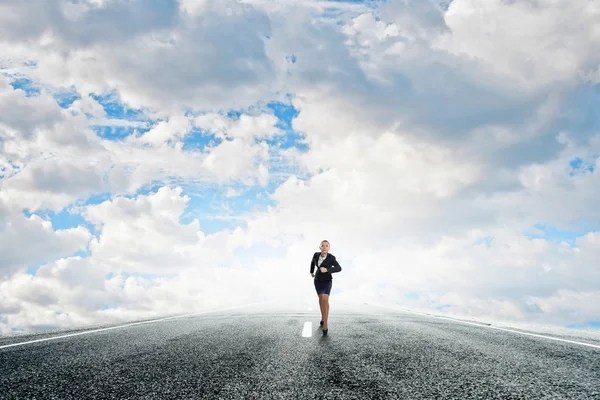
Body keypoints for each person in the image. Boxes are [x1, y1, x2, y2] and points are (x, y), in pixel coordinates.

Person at [310, 240, 342, 335]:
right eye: (322, 245)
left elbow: (339, 268)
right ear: (320, 247)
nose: (324, 247)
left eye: (326, 246)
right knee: (321, 299)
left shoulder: (331, 258)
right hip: (318, 280)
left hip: (327, 281)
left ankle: (325, 322)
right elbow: (312, 263)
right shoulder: (316, 255)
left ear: (329, 248)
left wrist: (328, 269)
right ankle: (323, 317)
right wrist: (311, 272)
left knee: (325, 299)